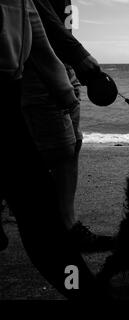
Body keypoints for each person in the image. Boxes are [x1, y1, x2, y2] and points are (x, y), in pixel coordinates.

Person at [0, 0, 103, 297]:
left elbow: (31, 15)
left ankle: (68, 233)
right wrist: (74, 56)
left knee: (64, 153)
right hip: (15, 79)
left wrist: (64, 71)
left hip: (24, 75)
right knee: (36, 199)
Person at [20, 0, 112, 252]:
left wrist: (72, 61)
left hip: (64, 63)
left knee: (73, 144)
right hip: (37, 64)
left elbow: (60, 21)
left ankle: (67, 225)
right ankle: (58, 231)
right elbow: (34, 13)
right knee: (57, 150)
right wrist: (77, 54)